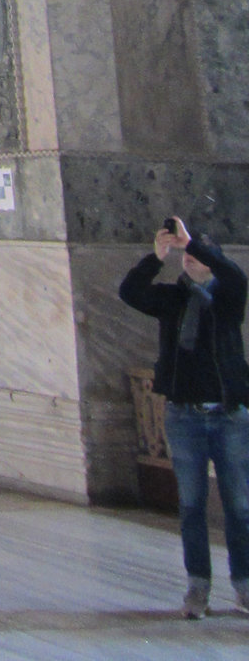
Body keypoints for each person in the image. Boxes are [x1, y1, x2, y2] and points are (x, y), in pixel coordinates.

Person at [120, 215, 249, 618]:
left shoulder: (228, 300)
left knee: (239, 506)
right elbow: (130, 292)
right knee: (192, 506)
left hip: (227, 415)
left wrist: (195, 244)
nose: (190, 261)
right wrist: (156, 257)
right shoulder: (173, 300)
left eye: (197, 255)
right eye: (186, 256)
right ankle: (198, 588)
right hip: (184, 417)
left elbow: (235, 274)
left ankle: (244, 584)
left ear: (210, 258)